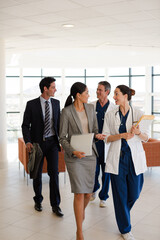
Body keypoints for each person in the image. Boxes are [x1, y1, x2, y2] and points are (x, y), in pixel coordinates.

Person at [102, 85, 149, 240]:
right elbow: (106, 138)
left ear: (126, 96)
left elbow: (146, 137)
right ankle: (125, 229)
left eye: (116, 94)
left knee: (134, 193)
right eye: (114, 94)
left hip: (134, 159)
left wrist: (138, 132)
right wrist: (121, 135)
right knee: (119, 194)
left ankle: (123, 212)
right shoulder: (110, 115)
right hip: (117, 158)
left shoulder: (139, 113)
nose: (114, 97)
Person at [59, 82, 105, 240]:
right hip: (75, 157)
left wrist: (98, 135)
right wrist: (73, 151)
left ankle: (81, 211)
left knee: (88, 194)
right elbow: (62, 138)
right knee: (79, 193)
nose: (89, 95)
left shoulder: (91, 109)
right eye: (86, 93)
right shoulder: (66, 112)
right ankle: (79, 230)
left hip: (90, 155)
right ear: (78, 95)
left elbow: (95, 130)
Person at [22, 77, 63, 217]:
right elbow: (25, 125)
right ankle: (38, 201)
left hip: (52, 143)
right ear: (45, 88)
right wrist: (28, 142)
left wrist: (62, 140)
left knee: (54, 174)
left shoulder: (56, 103)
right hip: (37, 144)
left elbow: (59, 124)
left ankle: (56, 205)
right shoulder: (31, 104)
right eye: (53, 87)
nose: (55, 89)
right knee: (37, 175)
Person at [90, 81, 115, 207]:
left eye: (100, 90)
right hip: (94, 144)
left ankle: (103, 197)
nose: (97, 92)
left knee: (106, 173)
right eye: (97, 89)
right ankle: (95, 187)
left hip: (107, 145)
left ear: (107, 92)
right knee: (93, 172)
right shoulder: (91, 106)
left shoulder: (114, 108)